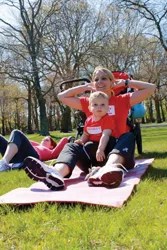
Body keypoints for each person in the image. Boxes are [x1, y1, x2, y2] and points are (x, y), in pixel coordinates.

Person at [23, 66, 156, 190]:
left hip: (118, 150)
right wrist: (84, 87)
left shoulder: (123, 100)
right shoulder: (89, 103)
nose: (100, 82)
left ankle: (109, 169)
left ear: (112, 82)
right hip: (93, 154)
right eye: (96, 79)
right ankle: (55, 174)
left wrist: (125, 83)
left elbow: (151, 88)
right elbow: (61, 97)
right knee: (71, 146)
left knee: (128, 136)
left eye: (104, 78)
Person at [23, 91, 115, 190]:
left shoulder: (107, 119)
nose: (99, 107)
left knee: (90, 145)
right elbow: (86, 134)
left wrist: (100, 149)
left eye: (102, 105)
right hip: (89, 158)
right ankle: (56, 174)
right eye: (95, 104)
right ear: (90, 108)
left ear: (107, 107)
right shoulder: (89, 120)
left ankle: (97, 169)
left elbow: (105, 135)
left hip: (102, 154)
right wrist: (81, 141)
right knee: (70, 145)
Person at [0, 129, 69, 172]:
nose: (43, 140)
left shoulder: (51, 151)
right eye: (43, 139)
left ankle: (4, 162)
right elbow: (23, 141)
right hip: (16, 155)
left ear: (51, 146)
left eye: (47, 140)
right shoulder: (37, 146)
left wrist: (69, 139)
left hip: (33, 156)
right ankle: (8, 163)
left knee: (16, 132)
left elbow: (65, 140)